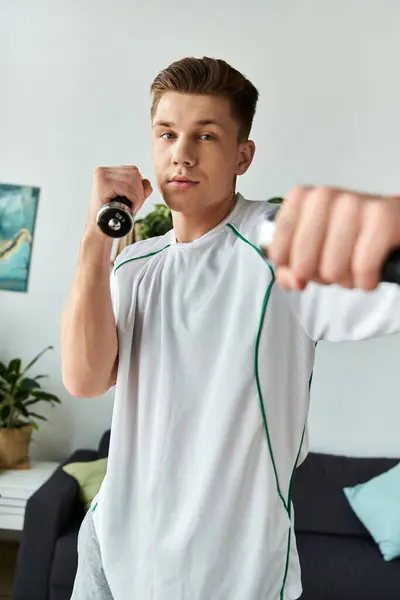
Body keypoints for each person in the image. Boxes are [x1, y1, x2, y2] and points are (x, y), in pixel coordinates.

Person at [61, 56, 400, 600]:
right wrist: (93, 241)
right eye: (167, 134)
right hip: (108, 555)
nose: (182, 154)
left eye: (206, 136)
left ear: (243, 155)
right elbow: (84, 378)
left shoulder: (281, 248)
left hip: (227, 578)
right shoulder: (132, 265)